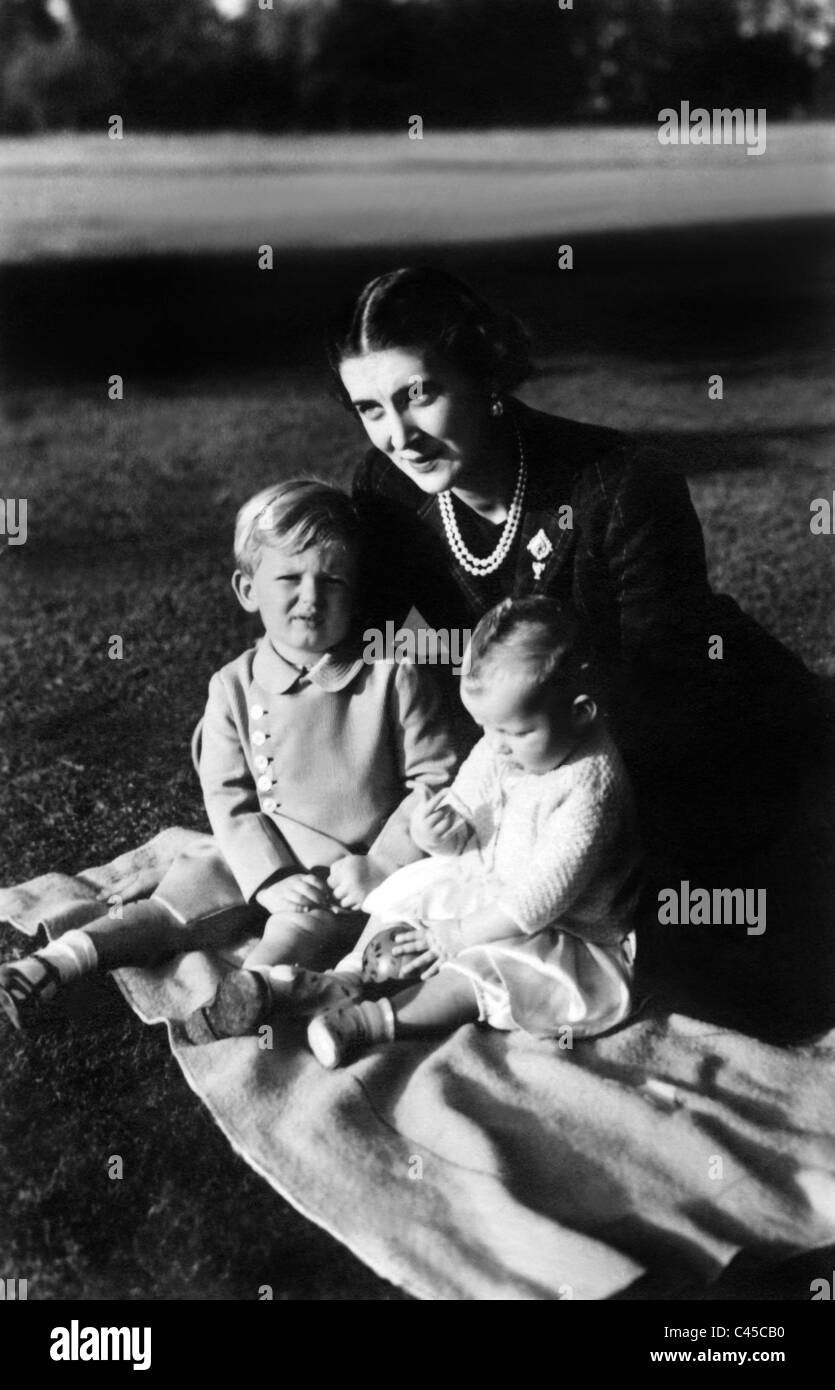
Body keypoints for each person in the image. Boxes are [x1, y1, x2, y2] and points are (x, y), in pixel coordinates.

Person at [327, 266, 834, 1034]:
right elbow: (344, 644)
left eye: (417, 395)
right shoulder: (389, 491)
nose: (398, 436)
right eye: (370, 408)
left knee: (743, 991)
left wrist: (553, 816)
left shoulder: (621, 482)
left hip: (716, 732)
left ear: (485, 372)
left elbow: (667, 681)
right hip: (545, 750)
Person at [0, 480, 456, 1038]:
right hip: (254, 851)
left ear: (356, 594)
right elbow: (229, 797)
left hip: (343, 872)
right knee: (175, 902)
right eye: (288, 578)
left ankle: (247, 999)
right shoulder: (234, 686)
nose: (311, 599)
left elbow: (434, 781)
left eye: (332, 581)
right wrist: (266, 876)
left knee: (296, 931)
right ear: (247, 589)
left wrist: (380, 866)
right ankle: (51, 966)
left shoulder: (392, 676)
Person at [303, 597, 641, 1069]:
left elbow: (536, 902)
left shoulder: (589, 789)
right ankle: (350, 974)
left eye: (513, 732)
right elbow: (466, 816)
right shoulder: (502, 743)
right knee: (413, 886)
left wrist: (454, 937)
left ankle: (374, 1021)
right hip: (491, 887)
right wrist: (438, 833)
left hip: (563, 932)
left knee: (485, 971)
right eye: (486, 729)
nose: (496, 746)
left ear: (580, 714)